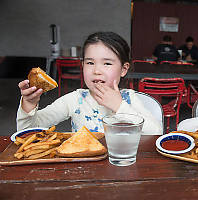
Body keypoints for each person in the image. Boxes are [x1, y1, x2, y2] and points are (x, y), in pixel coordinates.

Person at [17, 31, 162, 135]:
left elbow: (156, 133)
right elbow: (27, 132)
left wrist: (119, 106)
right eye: (90, 62)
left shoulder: (129, 99)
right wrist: (29, 104)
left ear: (123, 69)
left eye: (107, 63)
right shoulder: (75, 100)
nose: (96, 70)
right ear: (83, 65)